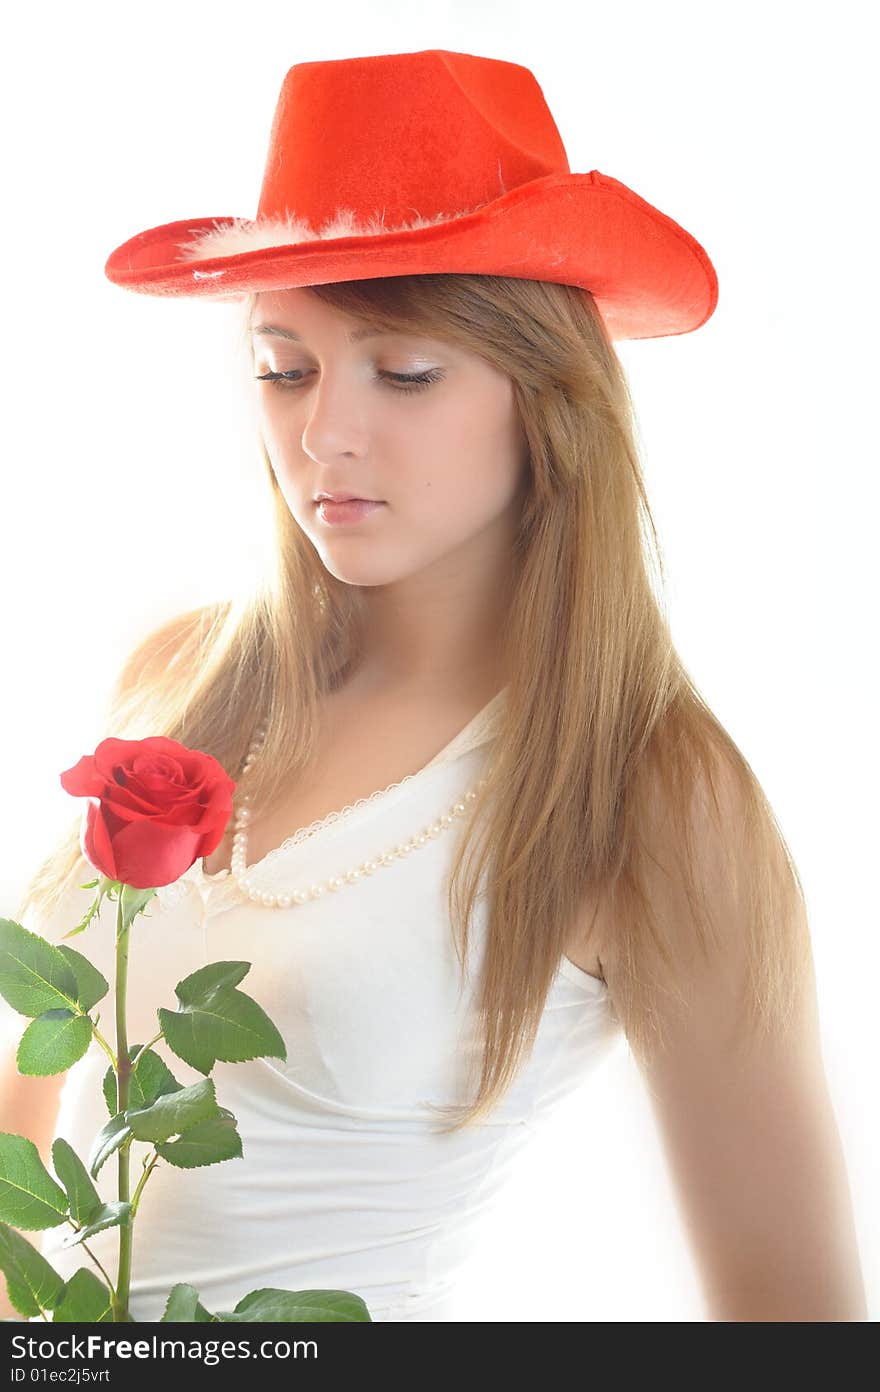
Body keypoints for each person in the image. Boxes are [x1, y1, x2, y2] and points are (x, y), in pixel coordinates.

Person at [4, 49, 867, 1323]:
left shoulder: (650, 794)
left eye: (403, 372)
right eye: (283, 366)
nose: (324, 435)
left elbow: (796, 1317)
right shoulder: (179, 679)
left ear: (552, 400)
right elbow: (24, 1123)